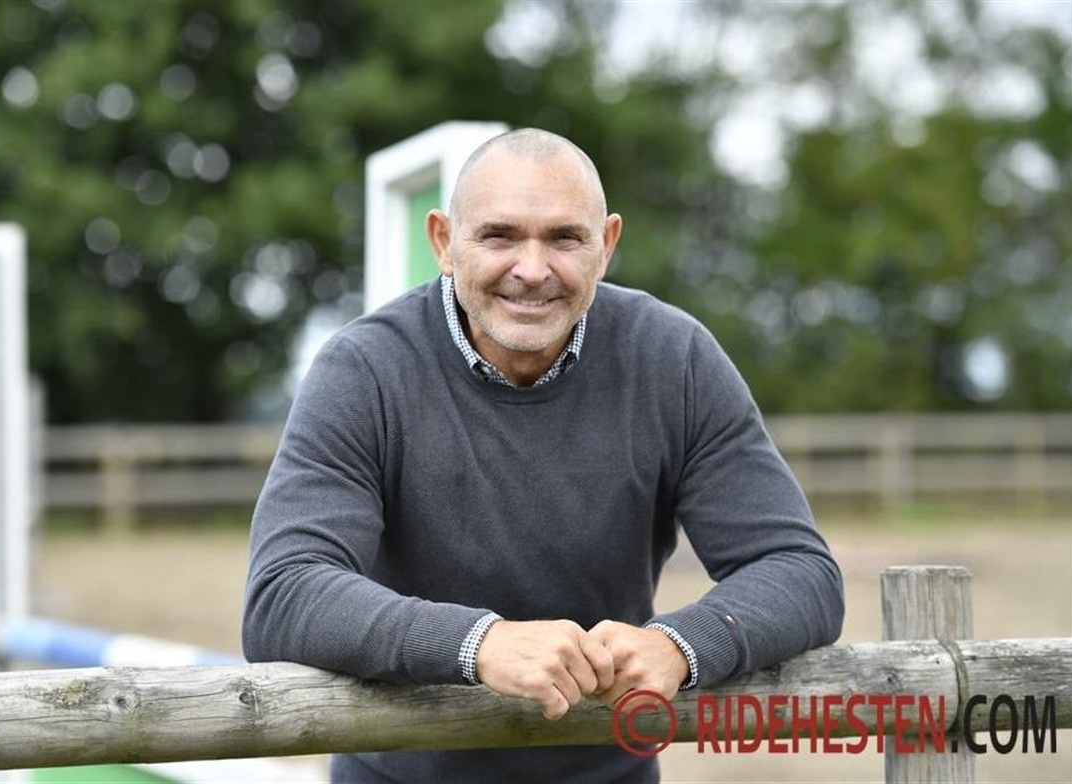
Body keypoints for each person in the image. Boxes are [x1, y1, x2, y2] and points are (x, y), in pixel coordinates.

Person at [242, 127, 845, 783]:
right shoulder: (363, 370)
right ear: (443, 242)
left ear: (606, 245)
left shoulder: (674, 359)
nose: (532, 270)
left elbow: (800, 570)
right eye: (499, 236)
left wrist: (683, 644)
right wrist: (477, 642)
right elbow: (284, 592)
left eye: (564, 238)